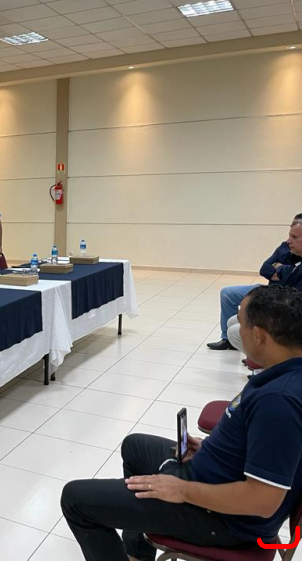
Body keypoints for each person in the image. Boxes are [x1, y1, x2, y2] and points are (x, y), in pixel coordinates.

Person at [61, 285, 302, 561]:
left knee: (75, 499)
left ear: (258, 335)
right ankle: (137, 553)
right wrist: (210, 449)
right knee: (134, 446)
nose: (237, 330)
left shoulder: (279, 400)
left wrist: (182, 491)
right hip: (215, 477)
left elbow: (263, 501)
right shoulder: (284, 374)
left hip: (223, 519)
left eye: (241, 322)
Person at [207, 213, 302, 350]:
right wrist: (285, 270)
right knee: (227, 293)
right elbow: (265, 268)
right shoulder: (284, 247)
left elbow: (290, 280)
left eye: (294, 237)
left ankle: (258, 358)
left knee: (237, 326)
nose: (289, 241)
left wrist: (281, 268)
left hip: (283, 303)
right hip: (271, 290)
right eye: (290, 234)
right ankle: (227, 340)